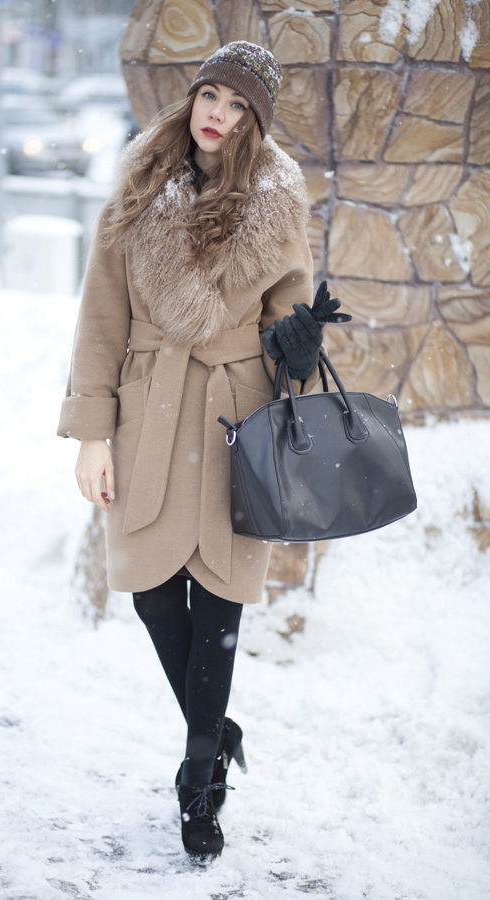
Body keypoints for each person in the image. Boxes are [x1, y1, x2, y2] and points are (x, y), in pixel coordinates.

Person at [58, 41, 344, 860]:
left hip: (233, 414)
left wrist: (299, 341)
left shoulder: (276, 201)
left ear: (255, 121)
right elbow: (100, 318)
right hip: (148, 408)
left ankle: (198, 779)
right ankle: (216, 730)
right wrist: (91, 433)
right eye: (211, 95)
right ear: (194, 98)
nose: (218, 114)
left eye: (238, 105)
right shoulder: (140, 184)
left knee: (219, 596)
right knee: (151, 590)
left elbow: (290, 309)